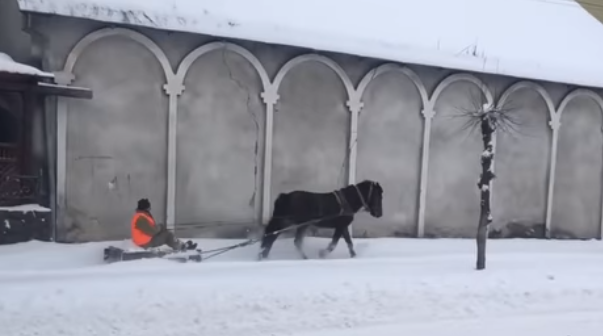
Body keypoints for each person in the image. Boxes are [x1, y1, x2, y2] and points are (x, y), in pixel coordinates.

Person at [131, 198, 197, 251]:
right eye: (149, 207)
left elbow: (150, 229)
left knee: (165, 232)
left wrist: (161, 228)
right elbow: (152, 232)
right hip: (145, 242)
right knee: (168, 235)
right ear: (146, 208)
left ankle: (179, 243)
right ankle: (181, 247)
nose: (150, 209)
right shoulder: (140, 218)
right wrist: (160, 227)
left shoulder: (141, 215)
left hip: (145, 239)